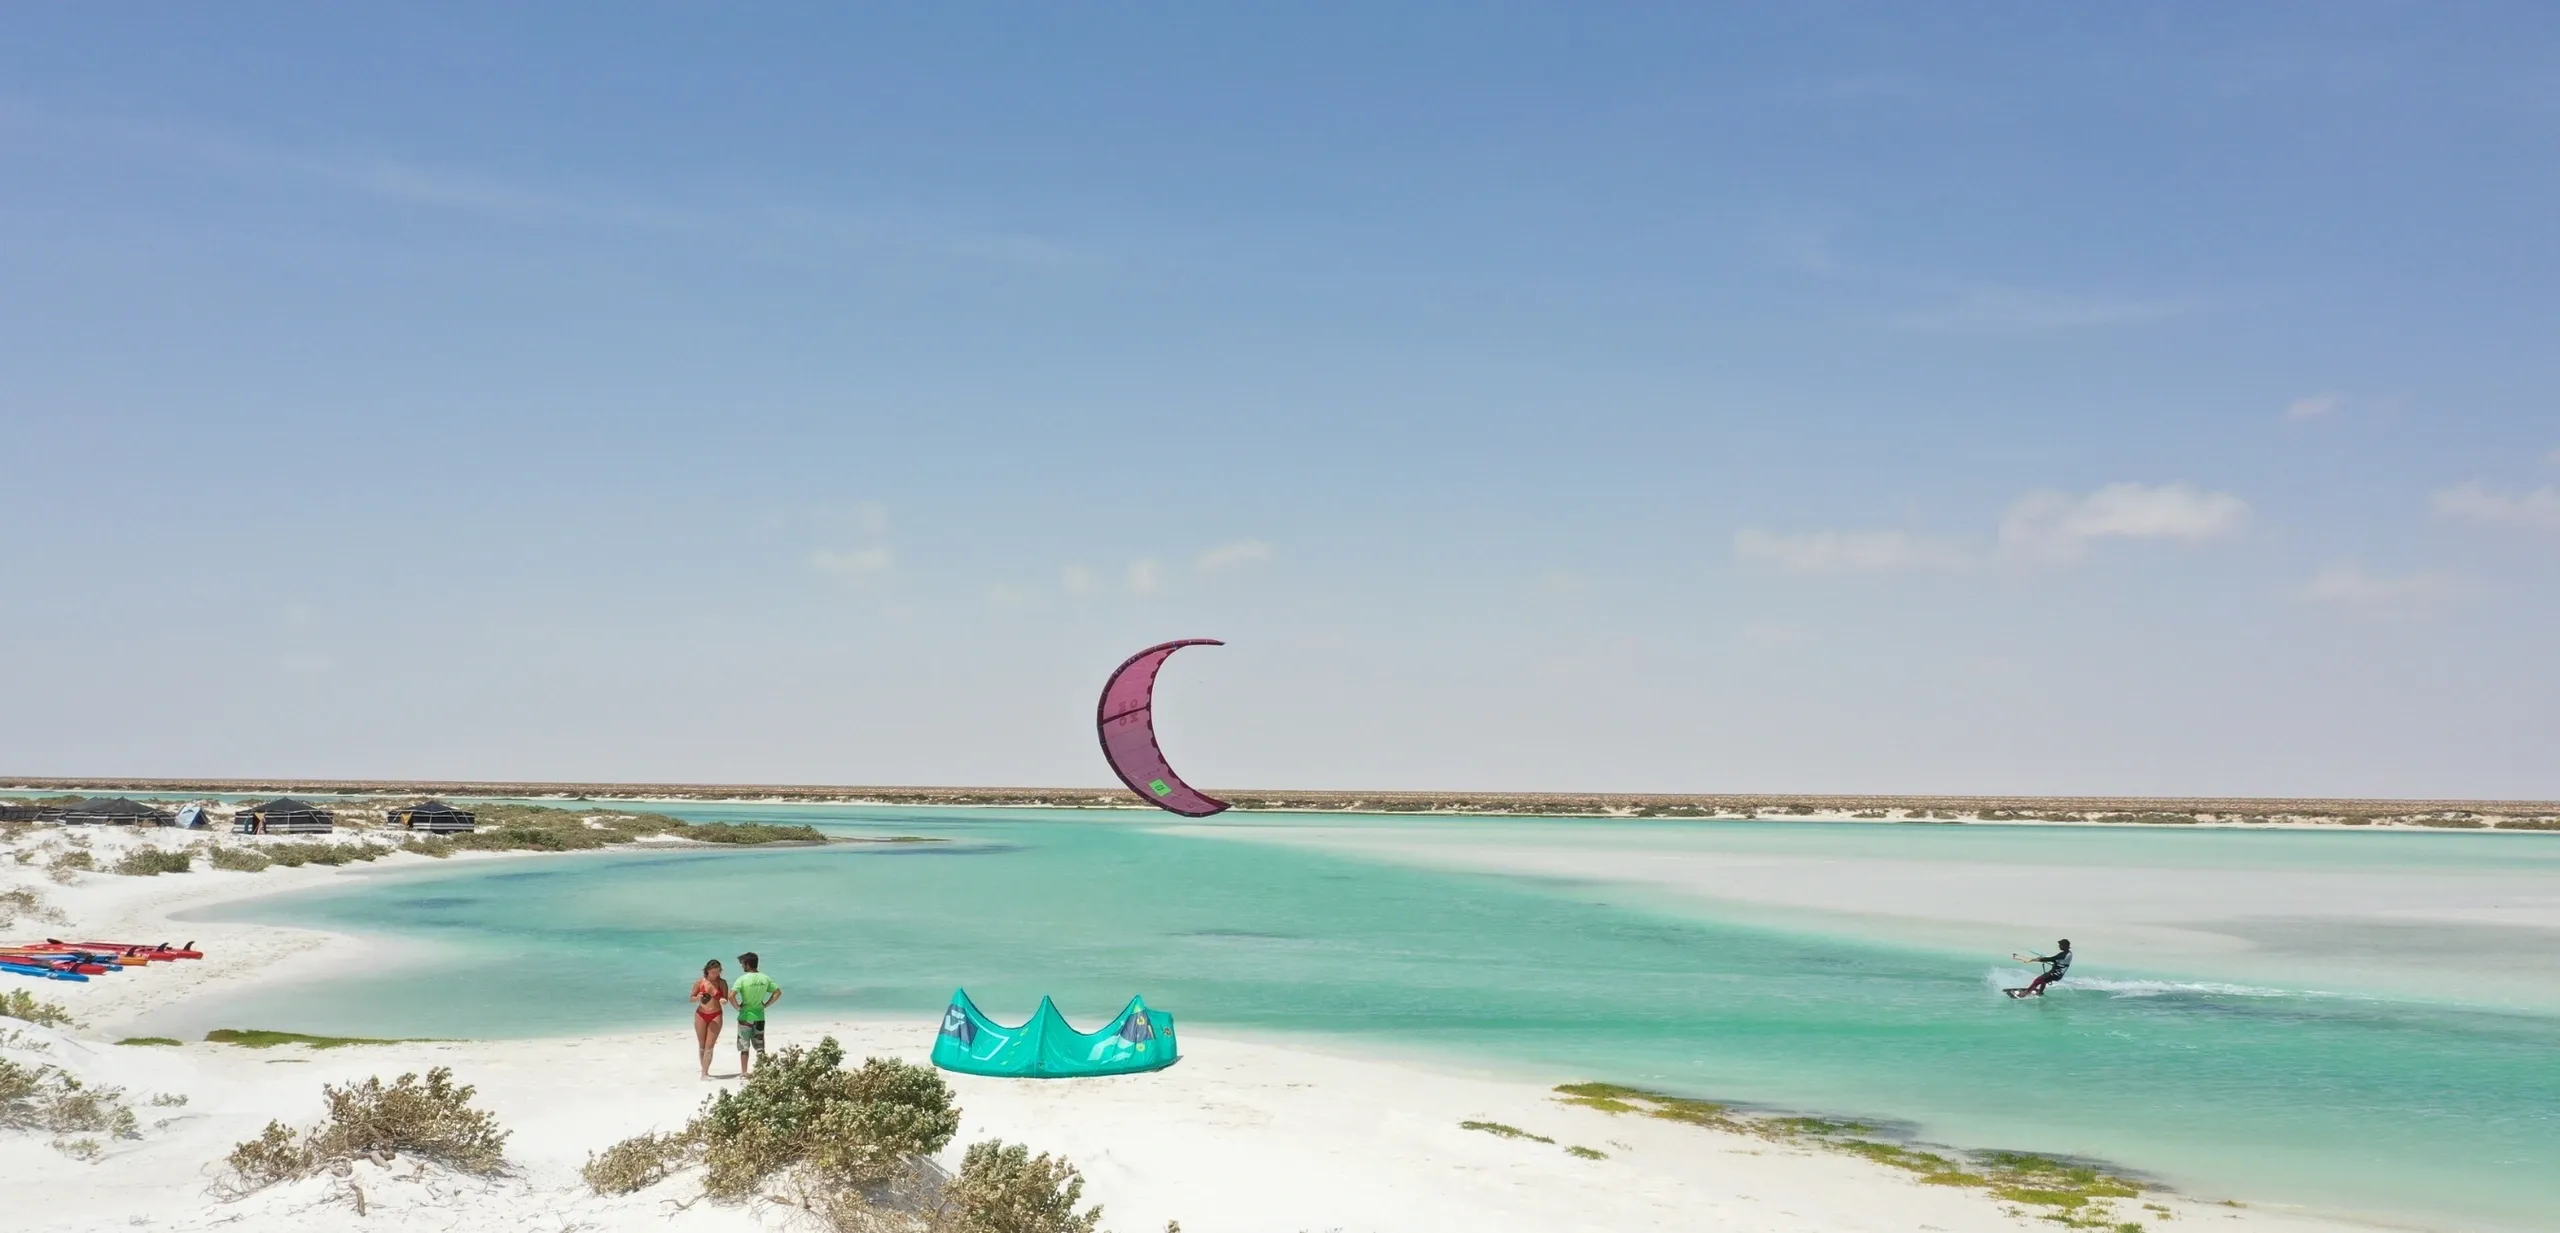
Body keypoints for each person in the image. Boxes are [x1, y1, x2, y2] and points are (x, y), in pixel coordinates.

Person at [729, 951, 782, 1075]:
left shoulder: (742, 979)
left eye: (742, 964)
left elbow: (731, 996)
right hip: (759, 1015)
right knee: (760, 1046)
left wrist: (737, 1007)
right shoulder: (765, 978)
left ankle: (744, 1072)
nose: (742, 966)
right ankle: (761, 1071)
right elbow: (777, 992)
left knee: (744, 1047)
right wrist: (766, 1004)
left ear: (747, 964)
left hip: (745, 1016)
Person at [689, 959, 730, 1079]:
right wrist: (697, 998)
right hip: (701, 1015)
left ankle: (704, 1073)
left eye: (717, 972)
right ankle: (704, 1071)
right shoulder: (700, 982)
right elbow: (691, 997)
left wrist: (723, 1000)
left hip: (716, 1014)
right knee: (701, 1045)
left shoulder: (722, 983)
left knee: (709, 1045)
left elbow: (725, 998)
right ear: (707, 971)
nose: (715, 975)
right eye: (713, 972)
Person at [2008, 939, 2072, 998]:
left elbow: (2051, 959)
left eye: (2061, 945)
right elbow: (2054, 959)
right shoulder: (2068, 953)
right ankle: (2040, 992)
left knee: (2038, 980)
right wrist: (2040, 959)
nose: (2059, 946)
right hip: (2056, 974)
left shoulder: (2064, 955)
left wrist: (2037, 959)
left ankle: (2025, 993)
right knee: (2043, 980)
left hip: (2055, 974)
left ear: (2065, 946)